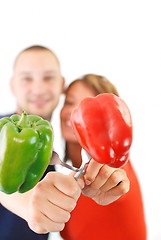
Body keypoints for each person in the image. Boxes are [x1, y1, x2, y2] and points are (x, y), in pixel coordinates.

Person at [0, 46, 130, 240]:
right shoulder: (4, 130)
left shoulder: (48, 145)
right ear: (12, 85)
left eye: (48, 77)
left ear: (61, 84)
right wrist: (27, 204)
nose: (38, 88)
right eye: (27, 78)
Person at [60, 74, 147, 240]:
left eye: (88, 107)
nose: (74, 112)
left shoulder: (114, 168)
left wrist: (113, 168)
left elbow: (118, 178)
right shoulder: (71, 178)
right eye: (69, 102)